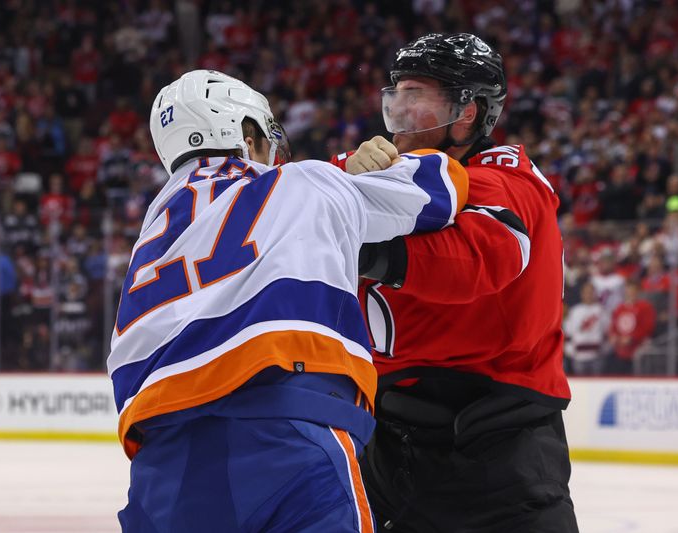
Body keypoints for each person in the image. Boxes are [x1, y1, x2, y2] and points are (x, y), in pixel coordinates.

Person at [108, 70, 468, 532]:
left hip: (161, 466)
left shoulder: (150, 238)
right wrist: (372, 162)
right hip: (286, 428)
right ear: (247, 134)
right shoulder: (307, 184)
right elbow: (438, 189)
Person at [333, 34, 578, 532]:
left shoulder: (510, 179)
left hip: (500, 442)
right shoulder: (385, 174)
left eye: (416, 94)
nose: (398, 107)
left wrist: (361, 245)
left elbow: (478, 256)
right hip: (391, 439)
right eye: (396, 92)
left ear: (467, 112)